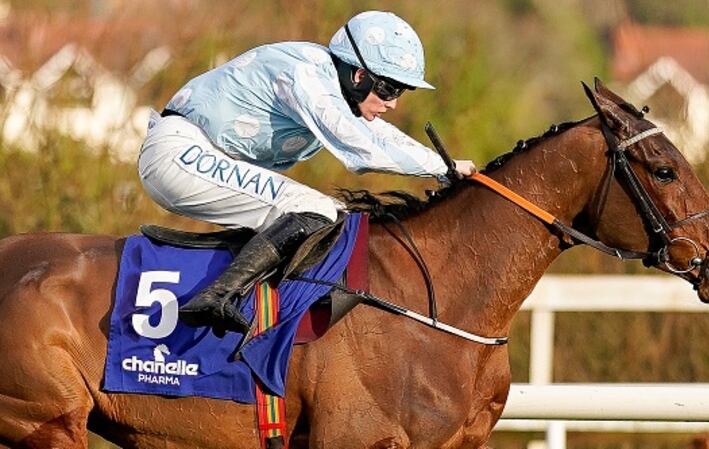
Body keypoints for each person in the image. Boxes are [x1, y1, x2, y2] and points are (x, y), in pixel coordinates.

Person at [137, 10, 476, 335]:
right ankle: (216, 298)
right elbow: (362, 148)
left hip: (198, 156)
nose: (393, 103)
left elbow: (381, 134)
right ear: (359, 76)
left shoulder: (331, 83)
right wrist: (441, 166)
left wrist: (445, 165)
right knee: (316, 209)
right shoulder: (307, 74)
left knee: (329, 214)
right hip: (179, 154)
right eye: (390, 89)